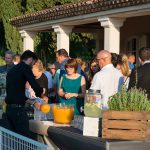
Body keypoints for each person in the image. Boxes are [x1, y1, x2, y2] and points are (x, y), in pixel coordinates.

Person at [5, 50, 43, 137]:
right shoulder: (25, 67)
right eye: (33, 63)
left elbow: (17, 94)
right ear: (30, 59)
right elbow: (35, 85)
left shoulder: (12, 70)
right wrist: (40, 94)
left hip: (9, 109)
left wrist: (33, 102)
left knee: (15, 140)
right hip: (18, 111)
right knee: (24, 138)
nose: (33, 66)